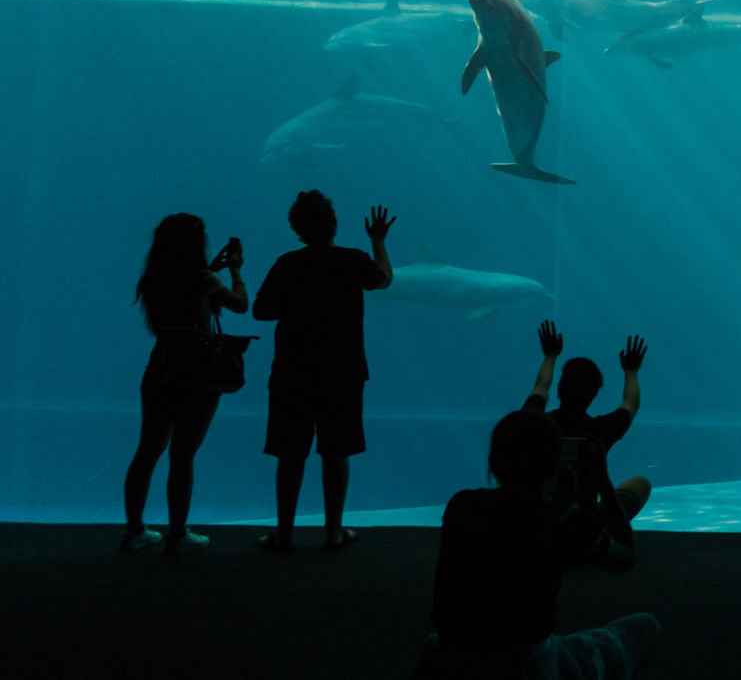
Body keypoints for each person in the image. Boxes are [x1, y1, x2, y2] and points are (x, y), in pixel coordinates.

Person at [414, 408, 661, 679]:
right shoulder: (564, 519)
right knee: (645, 628)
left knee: (432, 646)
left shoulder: (461, 506)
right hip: (529, 664)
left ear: (492, 460)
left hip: (453, 654)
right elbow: (626, 557)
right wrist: (601, 479)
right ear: (556, 464)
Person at [251, 191, 394, 553]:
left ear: (297, 229)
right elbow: (383, 280)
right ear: (334, 224)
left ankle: (284, 534)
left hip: (292, 372)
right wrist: (378, 240)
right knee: (336, 451)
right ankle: (333, 531)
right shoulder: (353, 260)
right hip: (342, 372)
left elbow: (261, 312)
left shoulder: (287, 264)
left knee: (290, 453)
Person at [124, 213, 249, 554]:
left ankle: (135, 530)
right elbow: (240, 305)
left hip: (160, 366)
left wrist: (213, 271)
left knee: (148, 450)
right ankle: (177, 534)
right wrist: (235, 271)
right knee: (183, 453)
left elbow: (183, 298)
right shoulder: (202, 278)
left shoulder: (153, 278)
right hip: (198, 371)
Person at [524, 320, 651, 521]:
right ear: (593, 396)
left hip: (535, 517)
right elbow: (631, 402)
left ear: (560, 389)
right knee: (641, 484)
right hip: (584, 522)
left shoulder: (533, 422)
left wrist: (550, 356)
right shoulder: (601, 431)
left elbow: (541, 385)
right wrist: (631, 371)